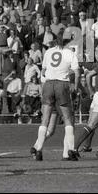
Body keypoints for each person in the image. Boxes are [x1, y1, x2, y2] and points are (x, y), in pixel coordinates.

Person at [31, 32, 80, 161]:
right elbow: (77, 72)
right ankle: (70, 150)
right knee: (68, 119)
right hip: (62, 84)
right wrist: (75, 86)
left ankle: (38, 149)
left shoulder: (48, 52)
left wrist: (44, 85)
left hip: (48, 84)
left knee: (45, 120)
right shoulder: (70, 52)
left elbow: (43, 71)